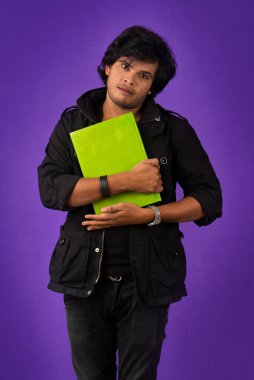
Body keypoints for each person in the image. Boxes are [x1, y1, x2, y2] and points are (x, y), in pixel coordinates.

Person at [37, 25, 222, 380]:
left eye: (143, 75)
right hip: (82, 277)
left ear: (152, 85)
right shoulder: (71, 122)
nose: (129, 80)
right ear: (108, 66)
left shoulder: (173, 130)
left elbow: (209, 200)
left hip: (148, 280)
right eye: (124, 66)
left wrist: (148, 215)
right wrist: (125, 182)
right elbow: (50, 189)